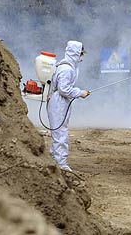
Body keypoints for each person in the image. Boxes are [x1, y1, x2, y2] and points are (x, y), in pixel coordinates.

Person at [48, 40, 90, 171]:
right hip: (58, 102)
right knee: (60, 132)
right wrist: (80, 93)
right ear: (76, 53)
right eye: (81, 53)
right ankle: (61, 163)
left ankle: (54, 158)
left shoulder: (68, 66)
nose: (82, 57)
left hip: (61, 102)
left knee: (59, 130)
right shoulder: (66, 69)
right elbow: (64, 90)